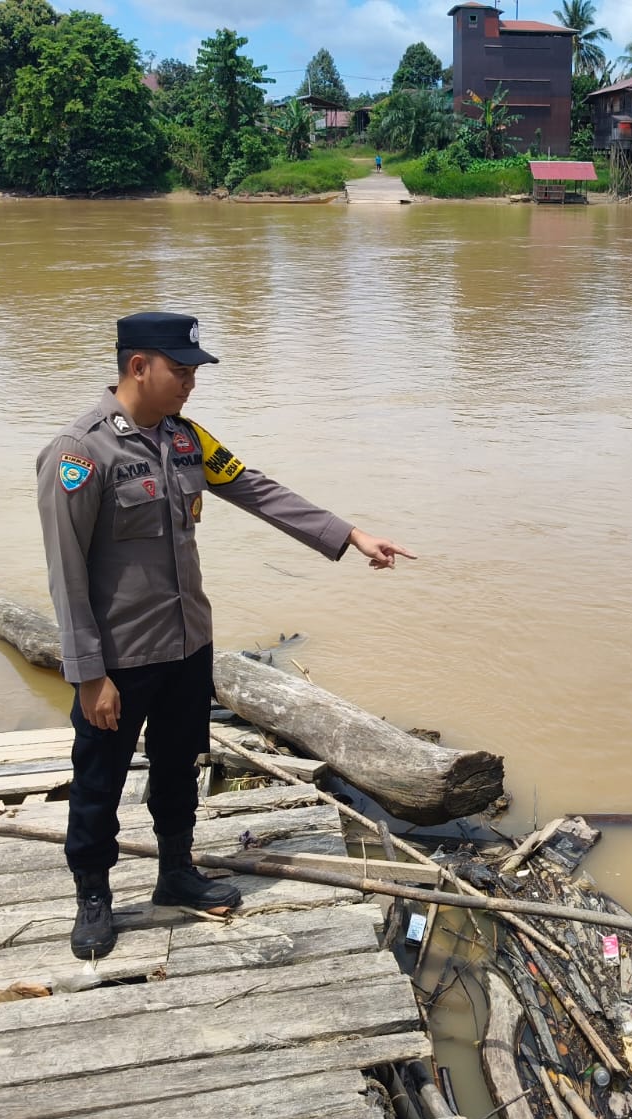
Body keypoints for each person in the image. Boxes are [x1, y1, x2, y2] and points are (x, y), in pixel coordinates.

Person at [35, 312, 414, 960]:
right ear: (138, 367)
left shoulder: (185, 441)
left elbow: (256, 488)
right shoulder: (80, 453)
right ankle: (93, 895)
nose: (190, 384)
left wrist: (348, 535)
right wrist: (88, 674)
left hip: (187, 645)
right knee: (98, 778)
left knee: (181, 766)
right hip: (120, 658)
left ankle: (176, 872)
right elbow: (65, 575)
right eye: (180, 371)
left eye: (192, 373)